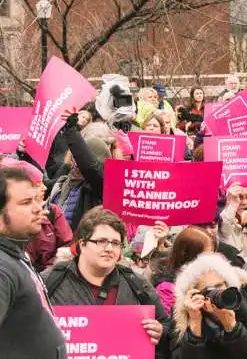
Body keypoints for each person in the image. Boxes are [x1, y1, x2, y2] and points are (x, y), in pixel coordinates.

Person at [44, 208, 170, 358]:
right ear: (82, 244)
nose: (110, 248)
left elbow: (167, 327)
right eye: (101, 241)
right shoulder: (50, 281)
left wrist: (161, 331)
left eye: (116, 243)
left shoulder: (136, 283)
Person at [0, 168, 67, 358]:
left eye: (36, 200)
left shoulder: (14, 253)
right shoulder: (2, 267)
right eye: (26, 202)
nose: (39, 208)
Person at [172, 252, 247, 358]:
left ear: (229, 285)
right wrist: (195, 327)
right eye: (208, 291)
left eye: (219, 286)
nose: (216, 293)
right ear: (195, 295)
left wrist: (233, 328)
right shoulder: (184, 319)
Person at [47, 111, 109, 230]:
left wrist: (71, 130)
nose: (76, 163)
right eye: (75, 158)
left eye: (79, 159)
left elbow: (89, 167)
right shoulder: (63, 182)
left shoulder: (98, 186)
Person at [153, 226, 216, 314]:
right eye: (206, 256)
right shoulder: (166, 288)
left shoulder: (211, 280)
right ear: (189, 256)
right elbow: (167, 324)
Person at [219, 183, 247, 256]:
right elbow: (225, 229)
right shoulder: (223, 217)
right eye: (239, 197)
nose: (244, 202)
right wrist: (233, 205)